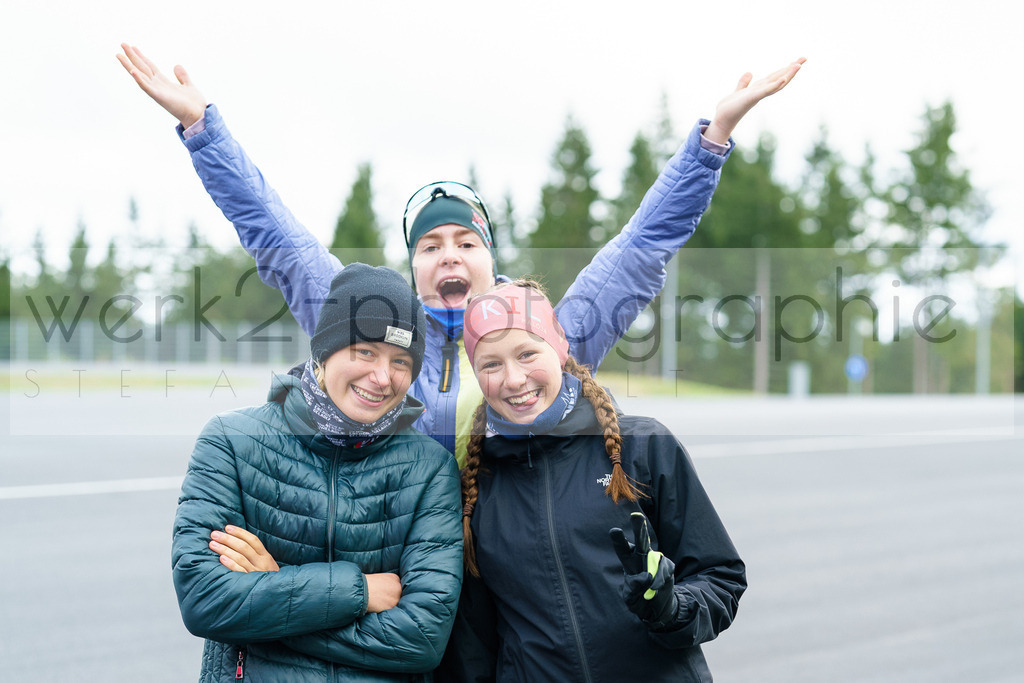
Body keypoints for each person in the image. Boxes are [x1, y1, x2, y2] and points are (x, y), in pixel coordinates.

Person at [117, 44, 804, 466]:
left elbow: (639, 248)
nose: (450, 255)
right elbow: (278, 238)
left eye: (466, 242)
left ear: (488, 258)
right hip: (409, 592)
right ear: (413, 267)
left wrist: (712, 140)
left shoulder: (547, 335)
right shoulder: (367, 329)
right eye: (430, 245)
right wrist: (203, 130)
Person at [439, 279, 745, 681]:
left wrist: (672, 608)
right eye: (491, 364)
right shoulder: (476, 488)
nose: (513, 379)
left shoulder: (643, 446)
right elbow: (474, 648)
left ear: (559, 347)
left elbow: (720, 576)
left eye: (527, 353)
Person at [172, 263, 463, 681]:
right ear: (325, 350)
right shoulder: (231, 441)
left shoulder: (430, 469)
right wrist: (358, 592)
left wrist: (274, 590)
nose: (383, 377)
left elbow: (421, 639)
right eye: (366, 352)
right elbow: (205, 601)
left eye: (401, 360)